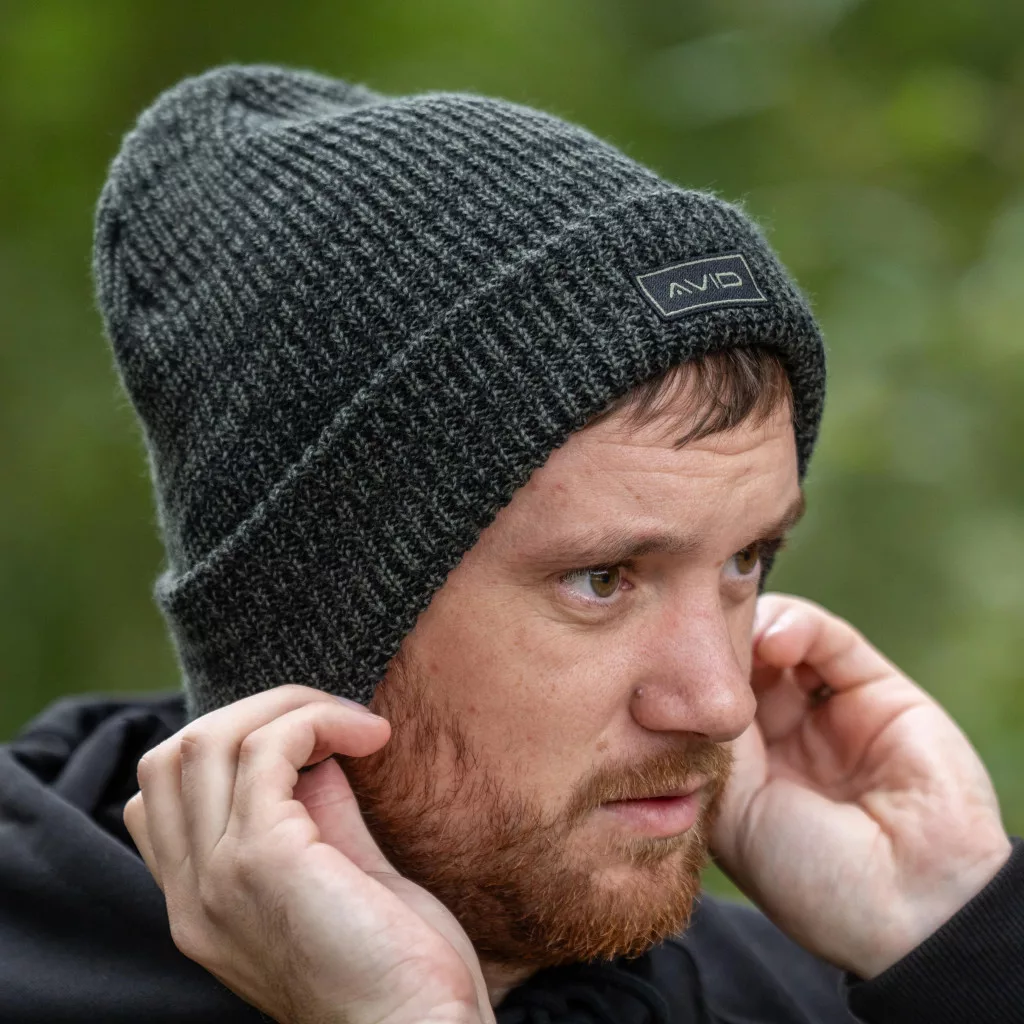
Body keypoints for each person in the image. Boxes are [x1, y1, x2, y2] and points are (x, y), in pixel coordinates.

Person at [0, 65, 1021, 1024]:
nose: (722, 702)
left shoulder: (825, 986)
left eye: (743, 560)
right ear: (318, 624)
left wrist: (958, 933)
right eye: (601, 579)